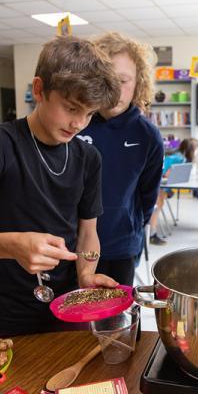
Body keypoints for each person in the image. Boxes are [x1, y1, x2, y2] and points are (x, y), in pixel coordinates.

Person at [0, 36, 120, 338]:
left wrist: (87, 274)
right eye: (71, 107)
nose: (78, 123)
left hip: (68, 309)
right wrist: (13, 245)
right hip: (9, 312)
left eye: (89, 114)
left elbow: (88, 233)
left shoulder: (88, 157)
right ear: (39, 89)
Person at [78, 32, 164, 284]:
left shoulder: (148, 136)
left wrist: (132, 226)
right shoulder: (75, 124)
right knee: (76, 318)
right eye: (108, 80)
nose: (116, 89)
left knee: (118, 319)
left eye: (124, 80)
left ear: (139, 83)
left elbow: (148, 197)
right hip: (72, 245)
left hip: (121, 245)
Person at [148, 138, 197, 245]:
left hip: (159, 183)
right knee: (158, 203)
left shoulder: (179, 155)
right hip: (157, 183)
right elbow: (166, 173)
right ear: (191, 150)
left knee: (160, 201)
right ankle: (152, 234)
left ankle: (152, 231)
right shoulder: (180, 158)